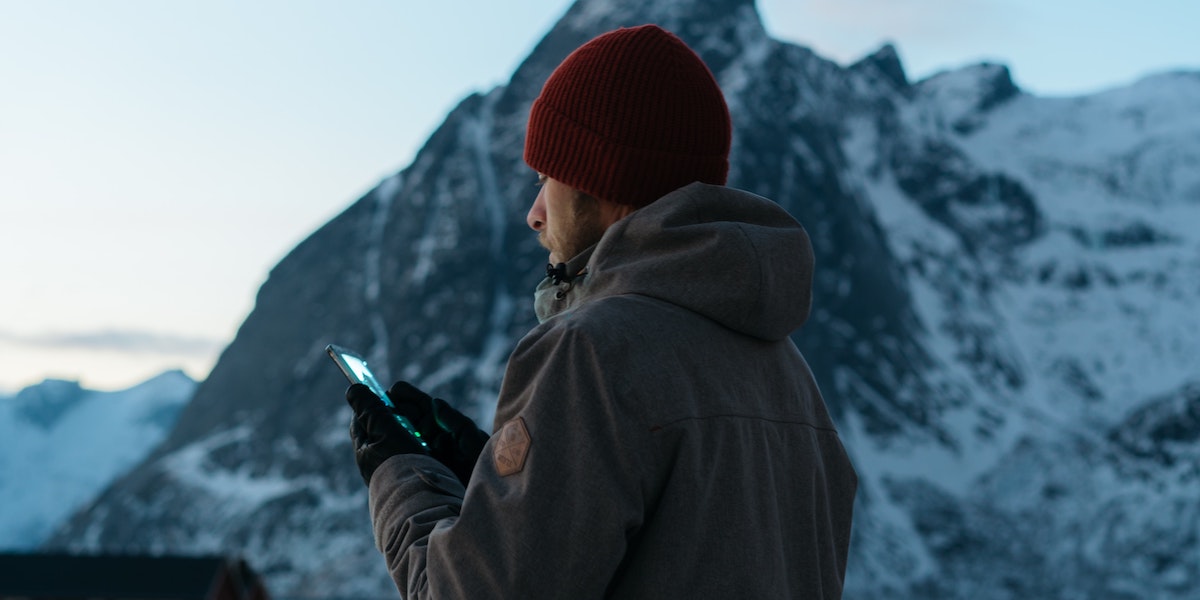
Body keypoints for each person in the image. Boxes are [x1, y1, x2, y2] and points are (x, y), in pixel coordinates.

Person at [344, 24, 857, 599]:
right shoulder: (791, 379)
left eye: (547, 178)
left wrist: (402, 477)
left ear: (602, 177)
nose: (535, 213)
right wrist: (493, 487)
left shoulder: (591, 352)